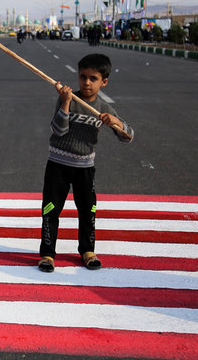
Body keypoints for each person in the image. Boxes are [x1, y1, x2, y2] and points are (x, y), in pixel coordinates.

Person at [38, 53, 134, 273]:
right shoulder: (68, 100)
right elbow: (58, 130)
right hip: (58, 165)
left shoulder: (103, 108)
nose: (86, 82)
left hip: (84, 168)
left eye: (93, 78)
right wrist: (65, 102)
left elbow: (128, 137)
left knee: (88, 210)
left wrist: (116, 122)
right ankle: (47, 253)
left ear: (104, 81)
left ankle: (87, 251)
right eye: (83, 77)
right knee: (51, 209)